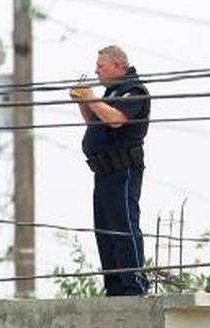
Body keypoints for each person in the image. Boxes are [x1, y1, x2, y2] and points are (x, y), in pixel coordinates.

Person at [68, 44, 150, 297]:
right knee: (104, 229)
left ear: (118, 66)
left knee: (123, 227)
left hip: (122, 169)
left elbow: (116, 120)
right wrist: (83, 101)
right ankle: (114, 286)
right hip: (102, 171)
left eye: (101, 67)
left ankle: (133, 284)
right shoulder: (111, 93)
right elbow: (96, 121)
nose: (96, 71)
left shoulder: (134, 91)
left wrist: (91, 97)